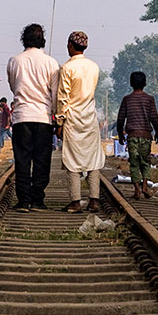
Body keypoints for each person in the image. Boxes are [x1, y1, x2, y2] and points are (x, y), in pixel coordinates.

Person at [6, 23, 60, 211]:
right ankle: (38, 199)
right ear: (42, 40)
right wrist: (55, 116)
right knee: (42, 159)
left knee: (22, 159)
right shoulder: (51, 63)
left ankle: (23, 201)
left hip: (22, 116)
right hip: (43, 117)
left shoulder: (14, 61)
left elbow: (13, 86)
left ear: (24, 39)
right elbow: (55, 94)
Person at [56, 31, 104, 213]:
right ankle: (94, 200)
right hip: (90, 118)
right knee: (93, 160)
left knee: (72, 161)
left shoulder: (67, 68)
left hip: (72, 119)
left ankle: (75, 201)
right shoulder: (94, 67)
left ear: (70, 45)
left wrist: (59, 123)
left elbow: (62, 98)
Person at [116, 71, 158, 200]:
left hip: (132, 136)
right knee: (145, 162)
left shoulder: (127, 99)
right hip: (146, 136)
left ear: (131, 84)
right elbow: (154, 118)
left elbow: (120, 119)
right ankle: (145, 185)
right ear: (145, 83)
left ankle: (136, 189)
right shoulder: (149, 99)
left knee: (134, 162)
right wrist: (157, 132)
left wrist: (120, 135)